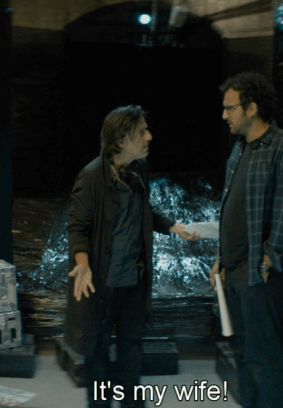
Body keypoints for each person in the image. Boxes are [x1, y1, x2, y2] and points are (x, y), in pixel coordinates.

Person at [65, 105, 199, 408]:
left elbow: (143, 209)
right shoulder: (91, 177)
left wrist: (173, 226)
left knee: (131, 349)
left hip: (133, 281)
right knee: (97, 352)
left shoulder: (139, 168)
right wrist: (82, 264)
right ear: (122, 139)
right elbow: (78, 227)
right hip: (102, 284)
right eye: (141, 132)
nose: (149, 136)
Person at [210, 72, 283, 407]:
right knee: (241, 353)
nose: (224, 115)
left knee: (263, 358)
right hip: (234, 271)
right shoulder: (239, 149)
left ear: (251, 108)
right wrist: (220, 259)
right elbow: (230, 209)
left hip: (259, 274)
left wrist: (267, 263)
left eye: (230, 108)